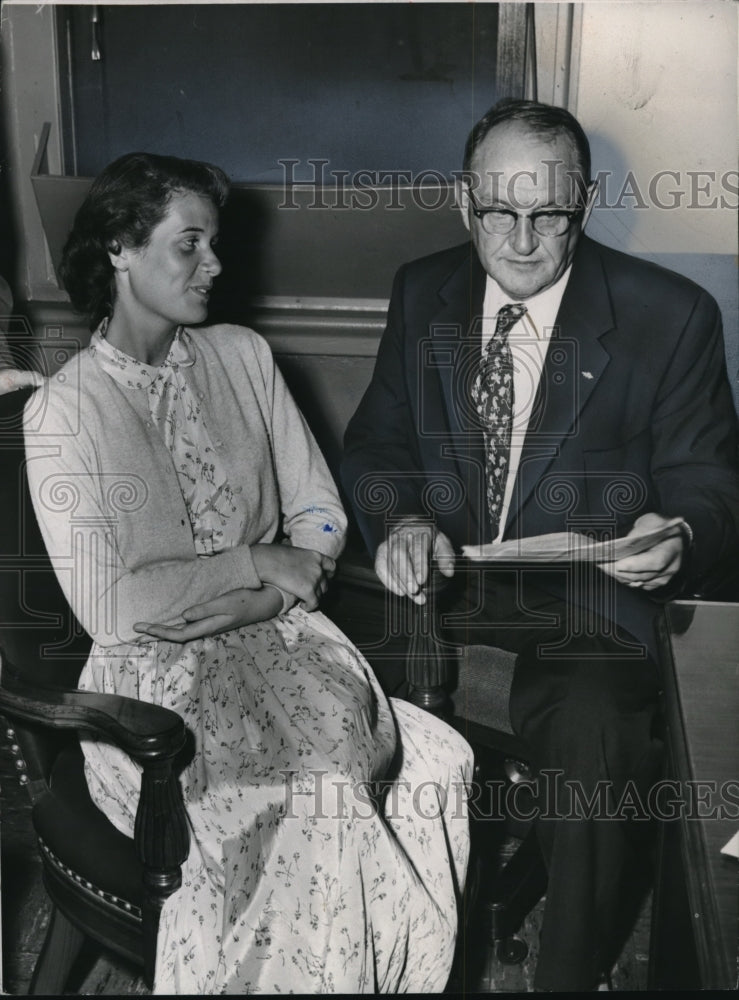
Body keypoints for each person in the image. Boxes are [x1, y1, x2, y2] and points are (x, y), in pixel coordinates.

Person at [23, 152, 472, 994]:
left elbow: (323, 516)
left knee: (342, 785)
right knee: (306, 803)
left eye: (215, 243)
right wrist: (259, 559)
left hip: (288, 639)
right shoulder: (64, 413)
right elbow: (114, 605)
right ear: (120, 247)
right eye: (188, 244)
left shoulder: (242, 356)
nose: (215, 265)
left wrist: (265, 592)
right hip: (150, 687)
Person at [341, 99, 739, 991]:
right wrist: (401, 519)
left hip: (588, 606)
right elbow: (376, 444)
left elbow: (709, 483)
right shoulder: (422, 290)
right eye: (498, 211)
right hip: (444, 584)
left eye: (548, 214)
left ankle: (568, 973)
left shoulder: (667, 315)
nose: (520, 241)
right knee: (302, 679)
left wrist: (674, 535)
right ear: (462, 201)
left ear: (584, 204)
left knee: (594, 738)